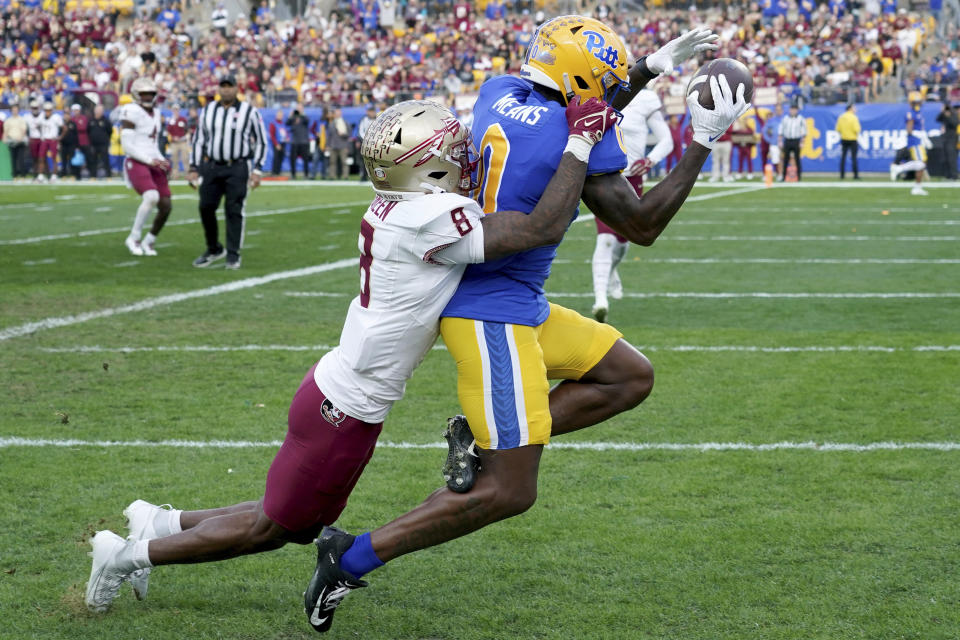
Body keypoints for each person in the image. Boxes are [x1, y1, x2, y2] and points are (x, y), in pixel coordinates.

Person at [82, 96, 619, 616]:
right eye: (452, 152)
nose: (465, 158)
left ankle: (160, 521)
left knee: (291, 519)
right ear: (425, 170)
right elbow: (540, 227)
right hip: (344, 407)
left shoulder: (405, 205)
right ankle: (124, 555)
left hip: (338, 393)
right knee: (274, 529)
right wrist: (578, 141)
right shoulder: (428, 216)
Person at [301, 18, 748, 634]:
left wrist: (647, 68)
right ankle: (348, 556)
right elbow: (640, 225)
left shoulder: (498, 90)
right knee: (509, 490)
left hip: (515, 302)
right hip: (491, 316)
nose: (611, 85)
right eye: (606, 78)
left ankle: (479, 436)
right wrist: (702, 138)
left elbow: (573, 109)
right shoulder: (571, 134)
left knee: (627, 376)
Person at [591, 88, 673, 323]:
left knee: (623, 240)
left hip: (631, 178)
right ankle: (600, 299)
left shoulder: (646, 98)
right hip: (602, 174)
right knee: (605, 238)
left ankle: (612, 270)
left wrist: (651, 160)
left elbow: (666, 139)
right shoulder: (599, 92)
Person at [188, 74, 268, 269]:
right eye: (222, 86)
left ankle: (233, 254)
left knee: (234, 209)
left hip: (237, 166)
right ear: (218, 88)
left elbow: (261, 141)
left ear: (236, 89)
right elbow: (199, 140)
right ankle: (214, 248)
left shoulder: (249, 111)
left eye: (229, 86)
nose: (225, 89)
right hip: (212, 165)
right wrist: (193, 167)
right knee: (205, 206)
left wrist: (257, 169)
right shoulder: (208, 110)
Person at [120, 77, 173, 257]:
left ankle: (149, 240)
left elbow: (152, 143)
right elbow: (127, 146)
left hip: (152, 159)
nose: (148, 97)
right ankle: (133, 237)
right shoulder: (130, 110)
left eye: (151, 93)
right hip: (136, 160)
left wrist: (161, 159)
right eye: (144, 94)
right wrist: (149, 160)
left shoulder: (156, 113)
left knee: (166, 204)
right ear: (136, 94)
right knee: (151, 196)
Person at [890, 93, 930, 195]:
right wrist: (919, 134)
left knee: (921, 165)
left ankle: (917, 187)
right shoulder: (911, 113)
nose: (918, 103)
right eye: (916, 101)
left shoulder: (918, 112)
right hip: (914, 141)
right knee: (921, 163)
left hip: (918, 141)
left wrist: (923, 137)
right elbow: (909, 130)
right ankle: (899, 168)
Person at [778, 102, 806, 181]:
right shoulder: (785, 118)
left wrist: (802, 142)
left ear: (797, 110)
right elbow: (781, 130)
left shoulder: (800, 119)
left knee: (797, 159)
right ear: (790, 110)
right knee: (785, 159)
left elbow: (803, 131)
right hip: (787, 140)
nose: (793, 111)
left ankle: (798, 177)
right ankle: (783, 177)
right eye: (792, 109)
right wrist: (780, 141)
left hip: (796, 140)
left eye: (794, 109)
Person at [38, 101, 63, 182]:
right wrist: (42, 135)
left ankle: (54, 175)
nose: (47, 112)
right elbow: (37, 126)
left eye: (49, 110)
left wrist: (59, 137)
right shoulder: (41, 117)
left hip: (53, 140)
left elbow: (64, 128)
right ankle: (41, 175)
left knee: (54, 157)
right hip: (45, 139)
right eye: (46, 110)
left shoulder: (56, 117)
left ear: (51, 110)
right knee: (41, 157)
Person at [2, 104, 28, 178]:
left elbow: (24, 130)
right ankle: (14, 175)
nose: (15, 111)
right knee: (13, 159)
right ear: (11, 111)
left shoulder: (21, 120)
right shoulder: (8, 120)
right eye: (13, 110)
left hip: (20, 141)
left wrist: (21, 137)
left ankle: (23, 175)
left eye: (16, 110)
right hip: (12, 141)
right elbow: (6, 131)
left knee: (21, 159)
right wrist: (4, 138)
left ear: (18, 111)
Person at [836, 103, 861, 179]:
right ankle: (855, 175)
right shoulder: (853, 117)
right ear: (850, 109)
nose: (855, 109)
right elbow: (857, 129)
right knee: (854, 158)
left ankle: (842, 175)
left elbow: (838, 129)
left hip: (844, 139)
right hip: (853, 139)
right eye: (854, 108)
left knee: (843, 158)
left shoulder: (841, 117)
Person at [325, 108, 351, 180]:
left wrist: (343, 134)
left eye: (338, 113)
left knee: (344, 162)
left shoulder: (345, 123)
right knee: (332, 162)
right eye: (336, 113)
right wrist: (327, 145)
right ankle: (332, 176)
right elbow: (329, 136)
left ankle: (345, 176)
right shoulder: (331, 124)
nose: (337, 115)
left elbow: (349, 134)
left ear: (340, 114)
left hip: (343, 145)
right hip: (333, 145)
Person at [166, 105, 191, 179]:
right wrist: (173, 137)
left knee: (185, 158)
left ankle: (188, 174)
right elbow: (168, 131)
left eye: (177, 110)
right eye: (174, 110)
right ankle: (175, 174)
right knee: (174, 159)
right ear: (172, 111)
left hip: (183, 141)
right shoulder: (171, 120)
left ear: (179, 110)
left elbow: (187, 129)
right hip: (174, 143)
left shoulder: (183, 119)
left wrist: (183, 137)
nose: (175, 111)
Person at [88, 104, 113, 178]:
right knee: (93, 160)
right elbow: (88, 131)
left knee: (105, 160)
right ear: (94, 111)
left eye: (100, 110)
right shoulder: (91, 120)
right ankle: (93, 176)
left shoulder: (106, 121)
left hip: (103, 144)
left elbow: (110, 131)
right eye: (97, 110)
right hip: (93, 144)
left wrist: (105, 139)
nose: (99, 112)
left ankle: (108, 175)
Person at [935, 101, 958, 180]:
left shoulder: (953, 114)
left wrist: (948, 116)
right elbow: (937, 119)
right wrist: (942, 112)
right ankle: (948, 175)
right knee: (945, 157)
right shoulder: (944, 114)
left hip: (952, 138)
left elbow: (955, 123)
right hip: (945, 138)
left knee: (951, 157)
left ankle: (954, 175)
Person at [286, 108, 311, 179]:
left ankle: (306, 174)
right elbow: (287, 123)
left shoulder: (304, 118)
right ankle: (293, 174)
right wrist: (290, 115)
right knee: (292, 160)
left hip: (303, 142)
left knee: (305, 160)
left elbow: (307, 121)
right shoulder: (293, 118)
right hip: (295, 142)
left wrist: (302, 113)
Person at [355, 106, 376, 181]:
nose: (372, 113)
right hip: (365, 143)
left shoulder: (377, 119)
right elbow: (361, 131)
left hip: (374, 143)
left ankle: (375, 177)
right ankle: (363, 176)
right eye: (370, 111)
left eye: (373, 111)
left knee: (374, 161)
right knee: (364, 160)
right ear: (367, 112)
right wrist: (367, 139)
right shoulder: (364, 120)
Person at [25, 99, 44, 181]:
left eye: (36, 107)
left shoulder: (43, 115)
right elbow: (26, 129)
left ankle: (42, 174)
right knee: (34, 158)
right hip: (33, 139)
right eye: (33, 108)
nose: (35, 109)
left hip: (42, 139)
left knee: (42, 157)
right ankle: (35, 174)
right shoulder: (27, 117)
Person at [268, 109, 289, 176]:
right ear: (277, 115)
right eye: (279, 115)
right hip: (277, 143)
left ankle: (278, 172)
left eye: (281, 115)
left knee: (281, 158)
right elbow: (272, 135)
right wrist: (276, 144)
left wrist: (287, 138)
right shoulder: (273, 123)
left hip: (283, 143)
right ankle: (274, 172)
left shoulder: (283, 123)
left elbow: (285, 132)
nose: (280, 116)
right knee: (276, 158)